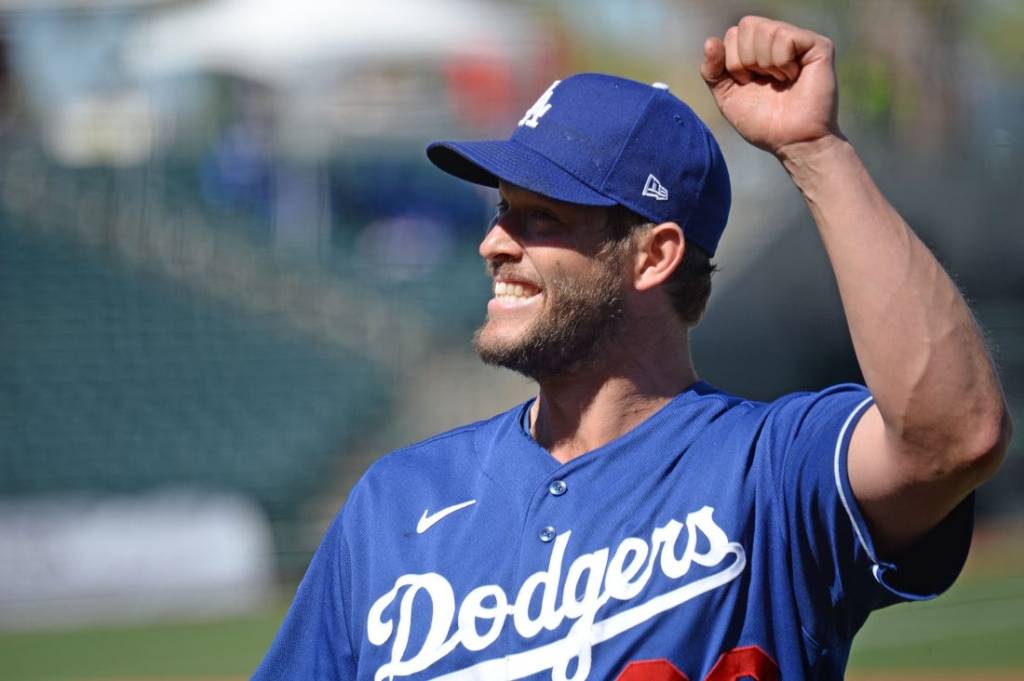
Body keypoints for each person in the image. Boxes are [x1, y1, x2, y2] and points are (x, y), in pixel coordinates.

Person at [253, 16, 1011, 681]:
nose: (493, 243)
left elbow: (954, 432)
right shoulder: (393, 504)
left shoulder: (771, 472)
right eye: (501, 210)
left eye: (541, 218)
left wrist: (815, 149)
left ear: (654, 256)